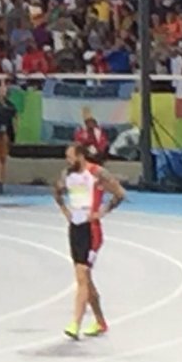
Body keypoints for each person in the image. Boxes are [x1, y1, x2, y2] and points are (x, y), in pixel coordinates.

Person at [53, 143, 127, 340]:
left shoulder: (97, 173)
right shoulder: (67, 174)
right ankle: (101, 321)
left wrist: (102, 212)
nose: (68, 161)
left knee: (83, 275)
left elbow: (120, 193)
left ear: (80, 156)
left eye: (70, 157)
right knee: (84, 279)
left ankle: (75, 324)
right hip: (75, 228)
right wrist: (66, 212)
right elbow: (57, 192)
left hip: (92, 230)